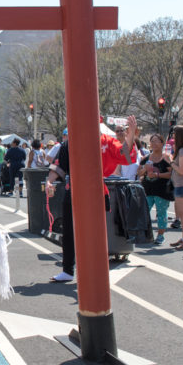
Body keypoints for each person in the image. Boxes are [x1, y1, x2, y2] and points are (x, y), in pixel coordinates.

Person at [45, 115, 137, 282]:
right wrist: (49, 182)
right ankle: (67, 269)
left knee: (97, 234)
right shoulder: (69, 143)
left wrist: (130, 136)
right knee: (69, 232)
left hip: (96, 192)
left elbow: (127, 157)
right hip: (73, 190)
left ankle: (96, 271)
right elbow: (58, 167)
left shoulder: (106, 141)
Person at [138, 133, 173, 245]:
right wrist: (145, 170)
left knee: (161, 213)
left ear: (162, 143)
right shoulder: (146, 158)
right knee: (144, 212)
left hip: (162, 190)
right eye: (152, 141)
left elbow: (171, 173)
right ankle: (145, 234)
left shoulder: (167, 157)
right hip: (147, 189)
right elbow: (139, 173)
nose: (154, 143)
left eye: (157, 141)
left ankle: (160, 235)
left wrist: (158, 175)